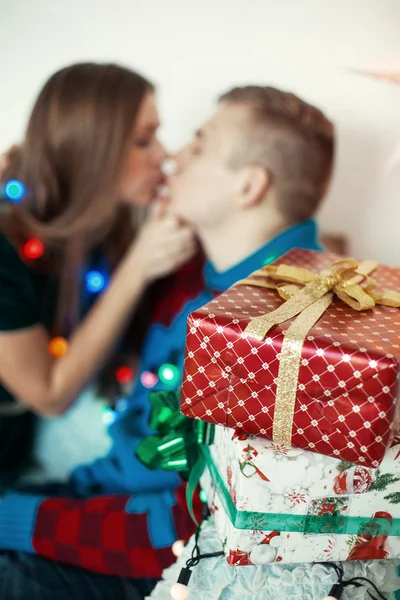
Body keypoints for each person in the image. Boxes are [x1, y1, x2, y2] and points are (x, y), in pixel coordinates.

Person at [0, 85, 337, 599]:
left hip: (155, 560)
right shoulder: (189, 269)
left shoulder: (284, 335)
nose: (174, 158)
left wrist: (14, 517)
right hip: (94, 496)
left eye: (198, 146)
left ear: (249, 187)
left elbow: (189, 524)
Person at [0, 62, 195, 485]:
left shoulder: (102, 219)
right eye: (144, 140)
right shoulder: (6, 239)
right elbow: (50, 395)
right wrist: (137, 267)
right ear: (89, 149)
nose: (164, 155)